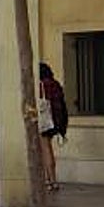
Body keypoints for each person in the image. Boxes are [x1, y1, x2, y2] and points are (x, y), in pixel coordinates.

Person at [39, 63, 69, 192]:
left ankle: (51, 180)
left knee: (45, 149)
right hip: (54, 121)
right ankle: (51, 179)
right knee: (48, 148)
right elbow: (62, 104)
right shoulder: (55, 84)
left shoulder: (40, 85)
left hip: (44, 122)